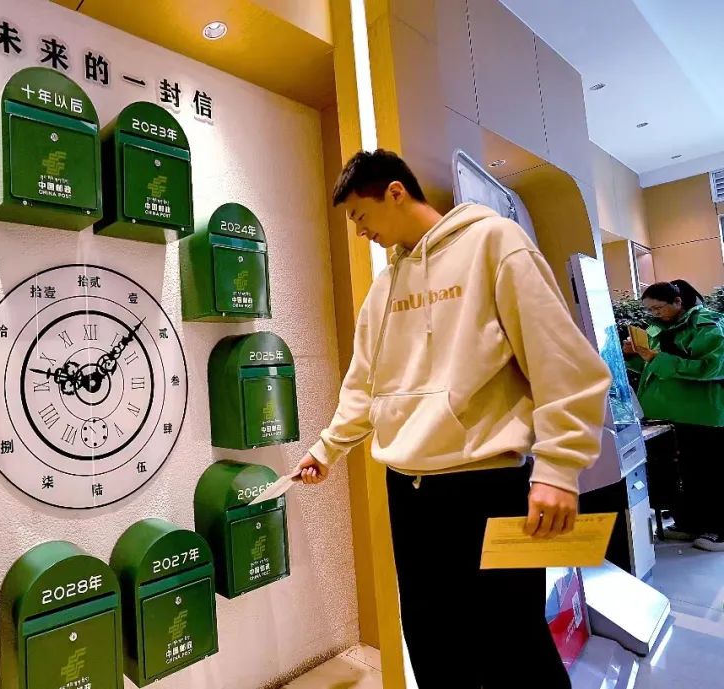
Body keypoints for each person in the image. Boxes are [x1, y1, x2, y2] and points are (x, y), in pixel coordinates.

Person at [294, 150, 611, 689]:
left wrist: (558, 470)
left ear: (396, 192)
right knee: (431, 641)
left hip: (488, 485)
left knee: (513, 644)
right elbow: (365, 385)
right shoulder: (384, 287)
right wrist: (326, 448)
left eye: (360, 215)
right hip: (409, 492)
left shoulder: (495, 243)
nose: (360, 230)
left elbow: (561, 362)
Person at [625, 281, 724, 551]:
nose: (654, 314)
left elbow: (713, 366)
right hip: (667, 414)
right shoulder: (657, 328)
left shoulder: (708, 325)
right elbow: (654, 366)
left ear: (678, 302)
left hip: (702, 414)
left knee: (710, 473)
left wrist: (656, 359)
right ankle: (690, 523)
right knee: (685, 474)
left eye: (658, 308)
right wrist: (635, 355)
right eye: (650, 310)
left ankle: (719, 530)